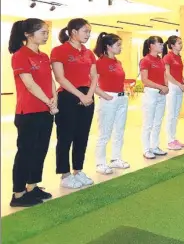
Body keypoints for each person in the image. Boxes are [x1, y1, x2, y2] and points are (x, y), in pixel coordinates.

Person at [8, 19, 58, 207]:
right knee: (26, 152)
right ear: (28, 35)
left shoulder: (43, 56)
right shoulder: (20, 55)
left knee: (40, 151)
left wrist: (54, 99)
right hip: (28, 112)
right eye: (43, 32)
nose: (46, 36)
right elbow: (29, 84)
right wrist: (47, 101)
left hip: (45, 111)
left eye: (47, 32)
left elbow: (50, 80)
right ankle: (18, 194)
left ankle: (32, 186)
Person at [51, 18, 97, 189]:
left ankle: (78, 170)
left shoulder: (88, 53)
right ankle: (65, 174)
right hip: (68, 96)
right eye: (85, 31)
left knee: (82, 136)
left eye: (89, 32)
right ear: (73, 32)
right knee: (65, 137)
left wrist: (89, 95)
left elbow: (94, 76)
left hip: (88, 96)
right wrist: (80, 95)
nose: (88, 35)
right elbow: (60, 78)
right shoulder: (59, 51)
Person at [93, 32, 130, 174]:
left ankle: (116, 159)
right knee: (105, 133)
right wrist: (105, 96)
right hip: (108, 99)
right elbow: (93, 84)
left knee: (119, 131)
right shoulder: (99, 63)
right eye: (118, 45)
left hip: (122, 98)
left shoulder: (118, 62)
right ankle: (100, 163)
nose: (121, 47)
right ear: (108, 46)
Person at [140, 36, 169, 159]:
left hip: (161, 93)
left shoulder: (161, 60)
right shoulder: (145, 60)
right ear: (151, 45)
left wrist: (165, 86)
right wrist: (160, 87)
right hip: (151, 93)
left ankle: (155, 146)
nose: (162, 46)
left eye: (162, 44)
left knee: (157, 122)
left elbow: (164, 75)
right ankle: (146, 149)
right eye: (159, 44)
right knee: (148, 123)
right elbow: (145, 80)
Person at [163, 35, 184, 150]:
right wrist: (179, 84)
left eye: (181, 43)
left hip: (179, 85)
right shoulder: (168, 57)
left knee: (176, 114)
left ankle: (173, 138)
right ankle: (169, 140)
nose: (181, 45)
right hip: (172, 86)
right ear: (172, 45)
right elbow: (167, 74)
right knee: (171, 114)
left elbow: (179, 72)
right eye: (178, 43)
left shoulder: (179, 57)